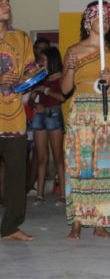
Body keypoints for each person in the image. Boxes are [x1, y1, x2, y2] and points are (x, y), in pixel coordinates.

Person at [61, 1, 110, 239]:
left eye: (108, 20)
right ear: (87, 21)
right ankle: (78, 221)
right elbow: (64, 89)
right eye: (100, 18)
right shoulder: (74, 50)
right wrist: (71, 69)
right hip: (81, 112)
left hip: (107, 112)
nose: (105, 23)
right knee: (80, 166)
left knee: (105, 167)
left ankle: (101, 221)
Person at [0, 0, 35, 241]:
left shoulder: (21, 38)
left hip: (14, 115)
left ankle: (10, 227)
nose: (7, 5)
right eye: (1, 1)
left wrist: (29, 77)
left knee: (16, 174)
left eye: (7, 1)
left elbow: (30, 70)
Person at [28, 46, 66, 206]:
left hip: (54, 115)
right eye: (40, 60)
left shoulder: (62, 77)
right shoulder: (41, 77)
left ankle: (64, 195)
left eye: (43, 60)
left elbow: (62, 97)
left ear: (52, 60)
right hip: (40, 116)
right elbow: (30, 100)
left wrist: (46, 90)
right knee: (41, 157)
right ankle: (40, 194)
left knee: (58, 157)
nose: (41, 63)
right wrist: (35, 101)